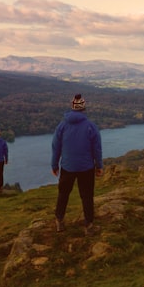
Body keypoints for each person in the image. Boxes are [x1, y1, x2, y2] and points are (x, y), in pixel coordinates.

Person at [51, 93, 104, 234]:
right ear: (83, 108)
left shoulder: (62, 126)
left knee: (63, 194)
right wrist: (99, 166)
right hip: (86, 167)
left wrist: (54, 165)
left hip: (67, 166)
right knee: (87, 196)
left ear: (72, 108)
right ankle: (89, 226)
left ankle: (59, 221)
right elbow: (97, 149)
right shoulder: (91, 126)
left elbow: (56, 147)